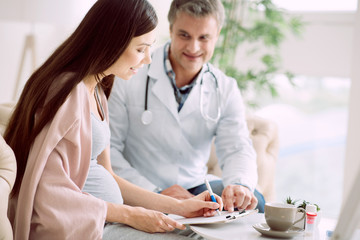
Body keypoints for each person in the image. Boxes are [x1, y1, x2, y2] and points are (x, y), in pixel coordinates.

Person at [4, 0, 223, 239]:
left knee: (203, 233)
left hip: (108, 219)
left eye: (150, 48)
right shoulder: (66, 93)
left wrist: (179, 207)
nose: (148, 58)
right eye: (141, 49)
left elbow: (110, 176)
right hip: (82, 226)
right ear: (112, 42)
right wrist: (131, 215)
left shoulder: (98, 89)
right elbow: (49, 191)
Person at [109, 0, 265, 214]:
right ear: (171, 29)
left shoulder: (225, 87)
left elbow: (236, 147)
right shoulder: (129, 73)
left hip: (195, 186)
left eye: (204, 38)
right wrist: (155, 193)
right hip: (141, 186)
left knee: (257, 201)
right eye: (184, 35)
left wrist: (240, 185)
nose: (193, 48)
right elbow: (109, 151)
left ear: (217, 34)